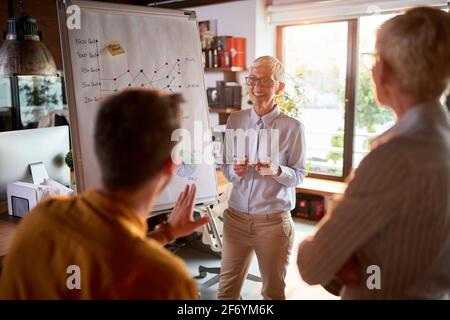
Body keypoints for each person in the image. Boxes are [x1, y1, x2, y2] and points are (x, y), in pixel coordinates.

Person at [297, 7, 450, 299]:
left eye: (374, 59)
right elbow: (414, 258)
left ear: (384, 72)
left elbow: (311, 265)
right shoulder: (441, 142)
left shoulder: (395, 159)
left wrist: (319, 245)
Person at [0, 89, 210, 299]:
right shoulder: (168, 281)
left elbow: (99, 263)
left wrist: (165, 233)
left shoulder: (40, 218)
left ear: (100, 150)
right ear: (171, 165)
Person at [218, 56, 306, 300]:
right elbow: (225, 166)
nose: (256, 87)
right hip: (235, 220)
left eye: (265, 81)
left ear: (279, 87)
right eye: (252, 79)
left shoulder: (293, 127)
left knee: (272, 293)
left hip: (273, 225)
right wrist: (234, 171)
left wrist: (277, 170)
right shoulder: (235, 120)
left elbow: (299, 175)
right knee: (226, 294)